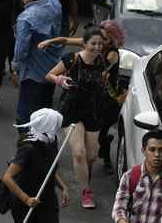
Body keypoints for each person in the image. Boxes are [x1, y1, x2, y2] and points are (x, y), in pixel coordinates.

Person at [44, 26, 109, 209]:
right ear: (85, 43)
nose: (97, 47)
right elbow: (49, 75)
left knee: (91, 156)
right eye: (93, 44)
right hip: (71, 109)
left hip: (92, 111)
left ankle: (83, 178)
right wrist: (60, 81)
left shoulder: (101, 62)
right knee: (78, 152)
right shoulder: (72, 59)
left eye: (99, 44)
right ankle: (86, 191)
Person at [12, 0, 63, 125]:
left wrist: (15, 68)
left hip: (32, 73)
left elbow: (21, 49)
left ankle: (28, 146)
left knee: (26, 117)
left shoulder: (25, 18)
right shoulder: (55, 7)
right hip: (53, 70)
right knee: (45, 116)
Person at [1, 109, 70, 223]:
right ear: (47, 126)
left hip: (47, 201)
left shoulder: (51, 142)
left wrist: (63, 187)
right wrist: (27, 199)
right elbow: (7, 178)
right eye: (55, 125)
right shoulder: (28, 149)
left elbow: (49, 168)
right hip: (27, 205)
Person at [111, 130, 162, 223]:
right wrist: (122, 220)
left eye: (161, 150)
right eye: (152, 149)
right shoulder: (129, 177)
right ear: (144, 151)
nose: (157, 155)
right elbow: (119, 208)